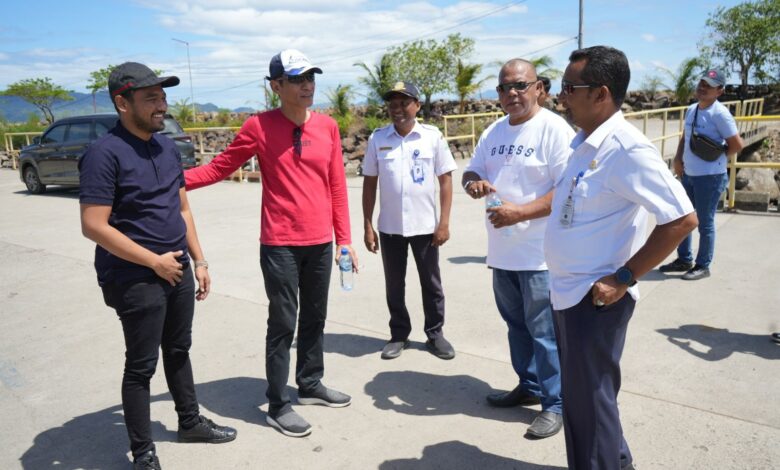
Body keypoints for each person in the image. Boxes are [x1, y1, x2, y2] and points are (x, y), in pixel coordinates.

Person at [184, 49, 357, 438]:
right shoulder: (258, 127)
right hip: (279, 243)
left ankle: (310, 384)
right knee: (283, 322)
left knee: (316, 316)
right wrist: (170, 179)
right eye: (297, 79)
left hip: (320, 243)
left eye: (311, 77)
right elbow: (219, 168)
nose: (307, 85)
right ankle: (278, 404)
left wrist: (344, 240)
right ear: (276, 86)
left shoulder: (327, 127)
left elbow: (337, 187)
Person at [546, 46, 698, 470]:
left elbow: (682, 219)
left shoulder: (626, 149)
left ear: (601, 94)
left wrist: (625, 277)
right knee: (586, 401)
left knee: (590, 404)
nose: (562, 97)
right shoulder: (583, 143)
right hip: (569, 292)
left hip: (595, 298)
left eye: (569, 88)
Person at [79, 62, 236, 470]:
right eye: (151, 98)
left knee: (179, 348)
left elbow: (181, 207)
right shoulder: (103, 154)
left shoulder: (165, 146)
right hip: (133, 275)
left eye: (162, 96)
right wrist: (154, 262)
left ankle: (189, 422)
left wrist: (198, 259)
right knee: (141, 365)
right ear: (122, 102)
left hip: (178, 266)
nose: (161, 105)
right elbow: (93, 225)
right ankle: (143, 452)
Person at [461, 59, 574, 438]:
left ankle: (554, 404)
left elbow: (567, 189)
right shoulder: (493, 131)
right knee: (516, 327)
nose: (512, 93)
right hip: (502, 252)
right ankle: (528, 386)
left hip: (540, 255)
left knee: (544, 333)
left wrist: (520, 213)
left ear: (539, 88)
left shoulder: (553, 129)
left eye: (521, 86)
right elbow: (471, 171)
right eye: (504, 87)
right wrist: (475, 184)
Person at [362, 81, 457, 360]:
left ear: (416, 105)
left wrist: (444, 223)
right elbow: (369, 185)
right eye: (392, 103)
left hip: (426, 226)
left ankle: (435, 333)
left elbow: (446, 180)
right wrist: (368, 225)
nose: (398, 109)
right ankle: (399, 334)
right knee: (394, 284)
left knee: (431, 282)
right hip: (390, 227)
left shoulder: (431, 137)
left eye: (404, 103)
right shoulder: (378, 139)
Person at [659, 69, 744, 280]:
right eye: (701, 83)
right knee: (683, 218)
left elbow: (737, 144)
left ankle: (702, 265)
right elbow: (685, 137)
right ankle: (684, 259)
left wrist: (717, 158)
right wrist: (678, 159)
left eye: (709, 85)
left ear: (720, 91)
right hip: (689, 175)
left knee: (705, 222)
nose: (703, 88)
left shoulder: (720, 113)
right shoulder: (692, 110)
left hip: (710, 177)